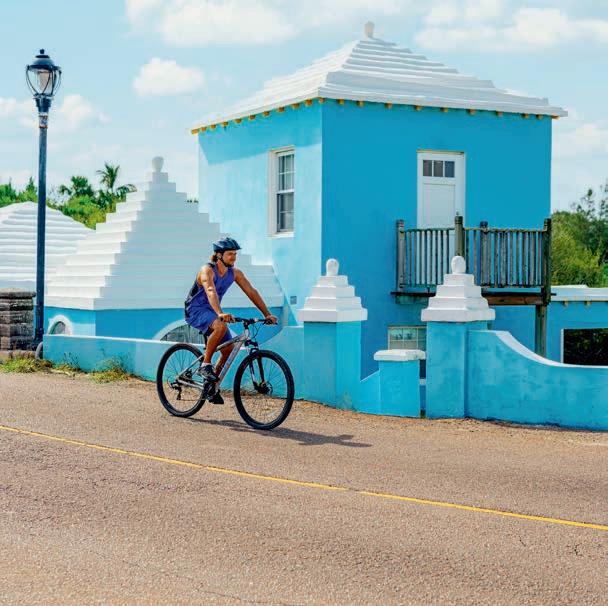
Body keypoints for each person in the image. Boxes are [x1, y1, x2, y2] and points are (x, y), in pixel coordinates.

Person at [185, 237, 278, 396]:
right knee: (220, 326)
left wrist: (267, 314)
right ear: (219, 255)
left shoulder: (234, 273)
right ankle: (205, 365)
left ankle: (210, 386)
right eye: (230, 254)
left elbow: (251, 292)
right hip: (195, 309)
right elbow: (210, 291)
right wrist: (220, 313)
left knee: (228, 350)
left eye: (235, 254)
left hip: (212, 311)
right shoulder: (207, 270)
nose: (234, 257)